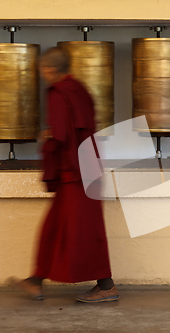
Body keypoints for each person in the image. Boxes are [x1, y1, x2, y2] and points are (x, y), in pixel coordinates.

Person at [11, 47, 118, 303]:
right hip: (88, 168)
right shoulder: (80, 90)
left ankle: (106, 286)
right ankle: (35, 281)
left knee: (84, 231)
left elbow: (59, 135)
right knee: (58, 228)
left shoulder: (58, 93)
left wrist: (45, 137)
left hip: (74, 172)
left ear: (49, 69)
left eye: (42, 70)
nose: (43, 75)